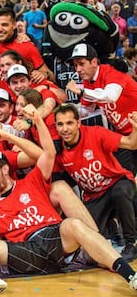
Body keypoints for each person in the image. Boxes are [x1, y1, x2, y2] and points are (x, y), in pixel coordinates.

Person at [0, 104, 137, 297]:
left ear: (4, 170)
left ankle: (130, 276)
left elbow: (49, 153)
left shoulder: (32, 181)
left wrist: (32, 122)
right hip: (24, 251)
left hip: (52, 239)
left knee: (73, 224)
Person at [54, 103, 137, 261]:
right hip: (94, 196)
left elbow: (132, 143)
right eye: (60, 124)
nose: (65, 129)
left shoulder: (96, 133)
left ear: (79, 123)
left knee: (121, 192)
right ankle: (110, 226)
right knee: (88, 236)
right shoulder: (59, 150)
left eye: (69, 123)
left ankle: (131, 243)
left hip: (117, 183)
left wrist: (136, 128)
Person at [65, 43, 137, 173]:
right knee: (124, 178)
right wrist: (66, 112)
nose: (78, 69)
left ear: (93, 62)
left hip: (132, 130)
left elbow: (110, 96)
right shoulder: (88, 82)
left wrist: (81, 91)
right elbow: (86, 110)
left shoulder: (111, 72)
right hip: (126, 136)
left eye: (81, 64)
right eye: (75, 66)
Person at [0, 8, 54, 87]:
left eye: (4, 25)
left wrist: (44, 74)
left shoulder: (26, 47)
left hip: (17, 96)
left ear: (14, 25)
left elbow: (50, 76)